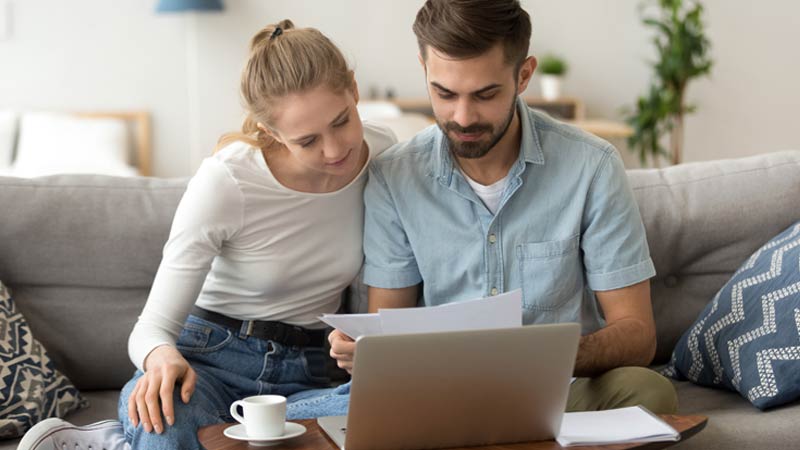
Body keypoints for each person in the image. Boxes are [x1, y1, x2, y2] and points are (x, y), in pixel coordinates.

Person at [17, 20, 396, 450]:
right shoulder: (229, 180)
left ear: (354, 88)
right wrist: (161, 359)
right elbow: (150, 330)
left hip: (307, 376)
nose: (334, 150)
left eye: (342, 121)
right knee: (167, 419)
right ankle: (144, 437)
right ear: (271, 132)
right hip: (208, 361)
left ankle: (131, 444)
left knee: (387, 407)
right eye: (307, 141)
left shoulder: (385, 159)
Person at [325, 0, 678, 415]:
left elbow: (637, 333)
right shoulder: (393, 178)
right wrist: (366, 350)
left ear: (524, 75)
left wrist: (533, 355)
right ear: (424, 68)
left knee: (650, 393)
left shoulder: (591, 166)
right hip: (441, 394)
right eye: (444, 93)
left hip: (557, 390)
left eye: (485, 94)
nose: (463, 116)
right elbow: (387, 324)